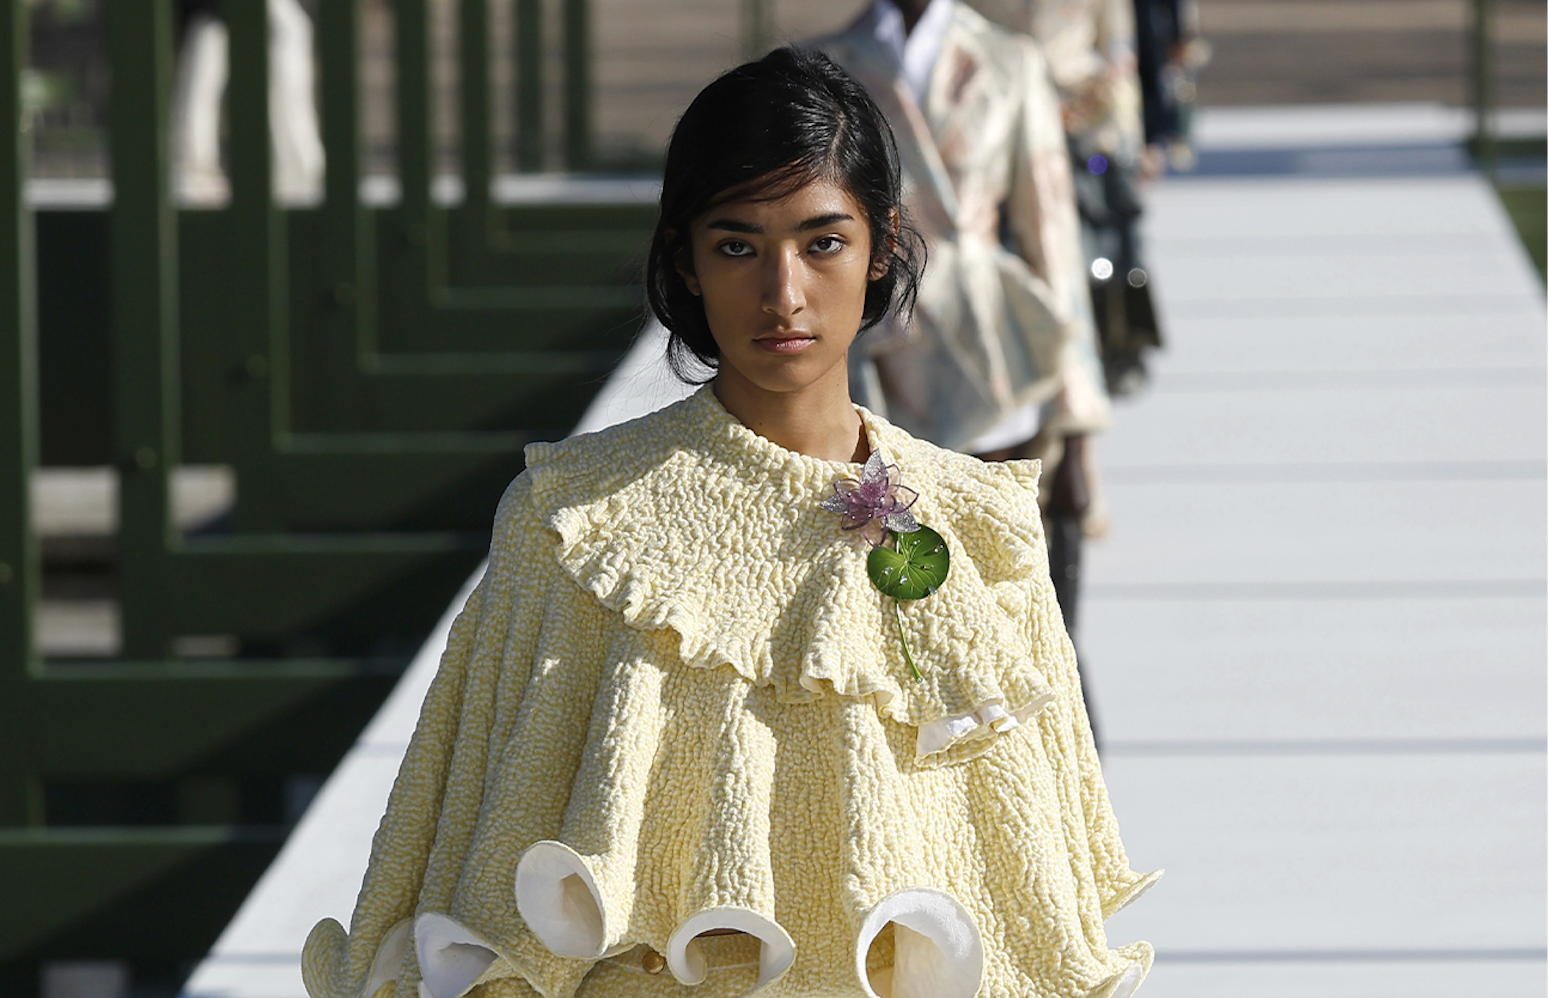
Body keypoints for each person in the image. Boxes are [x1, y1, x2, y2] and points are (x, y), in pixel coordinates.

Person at [300, 47, 1157, 998]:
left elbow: (1039, 909)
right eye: (738, 246)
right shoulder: (577, 521)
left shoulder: (985, 529)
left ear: (883, 246)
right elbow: (486, 869)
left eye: (822, 243)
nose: (783, 294)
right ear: (686, 261)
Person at [812, 0, 1112, 734]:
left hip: (989, 358)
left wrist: (1076, 425)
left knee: (1005, 599)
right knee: (903, 603)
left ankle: (1038, 759)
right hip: (876, 356)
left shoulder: (1008, 60)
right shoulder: (823, 64)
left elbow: (1051, 235)